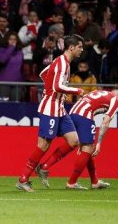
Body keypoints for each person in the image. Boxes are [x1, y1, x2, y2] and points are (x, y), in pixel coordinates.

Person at [16, 34, 85, 192]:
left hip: (59, 108)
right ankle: (23, 179)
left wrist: (54, 89)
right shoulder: (62, 64)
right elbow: (57, 86)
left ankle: (44, 167)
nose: (81, 50)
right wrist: (76, 90)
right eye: (80, 47)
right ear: (71, 47)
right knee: (43, 145)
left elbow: (44, 74)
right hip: (50, 108)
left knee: (74, 141)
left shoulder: (62, 63)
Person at [65, 84, 118, 189]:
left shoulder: (98, 92)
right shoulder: (116, 100)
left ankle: (95, 182)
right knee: (89, 147)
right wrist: (99, 143)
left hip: (72, 113)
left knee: (87, 148)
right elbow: (105, 122)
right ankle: (71, 183)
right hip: (84, 116)